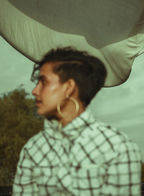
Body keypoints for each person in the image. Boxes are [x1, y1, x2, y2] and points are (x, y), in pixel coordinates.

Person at [12, 47, 142, 195]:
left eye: (44, 81)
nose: (35, 91)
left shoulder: (116, 147)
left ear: (69, 87)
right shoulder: (33, 149)